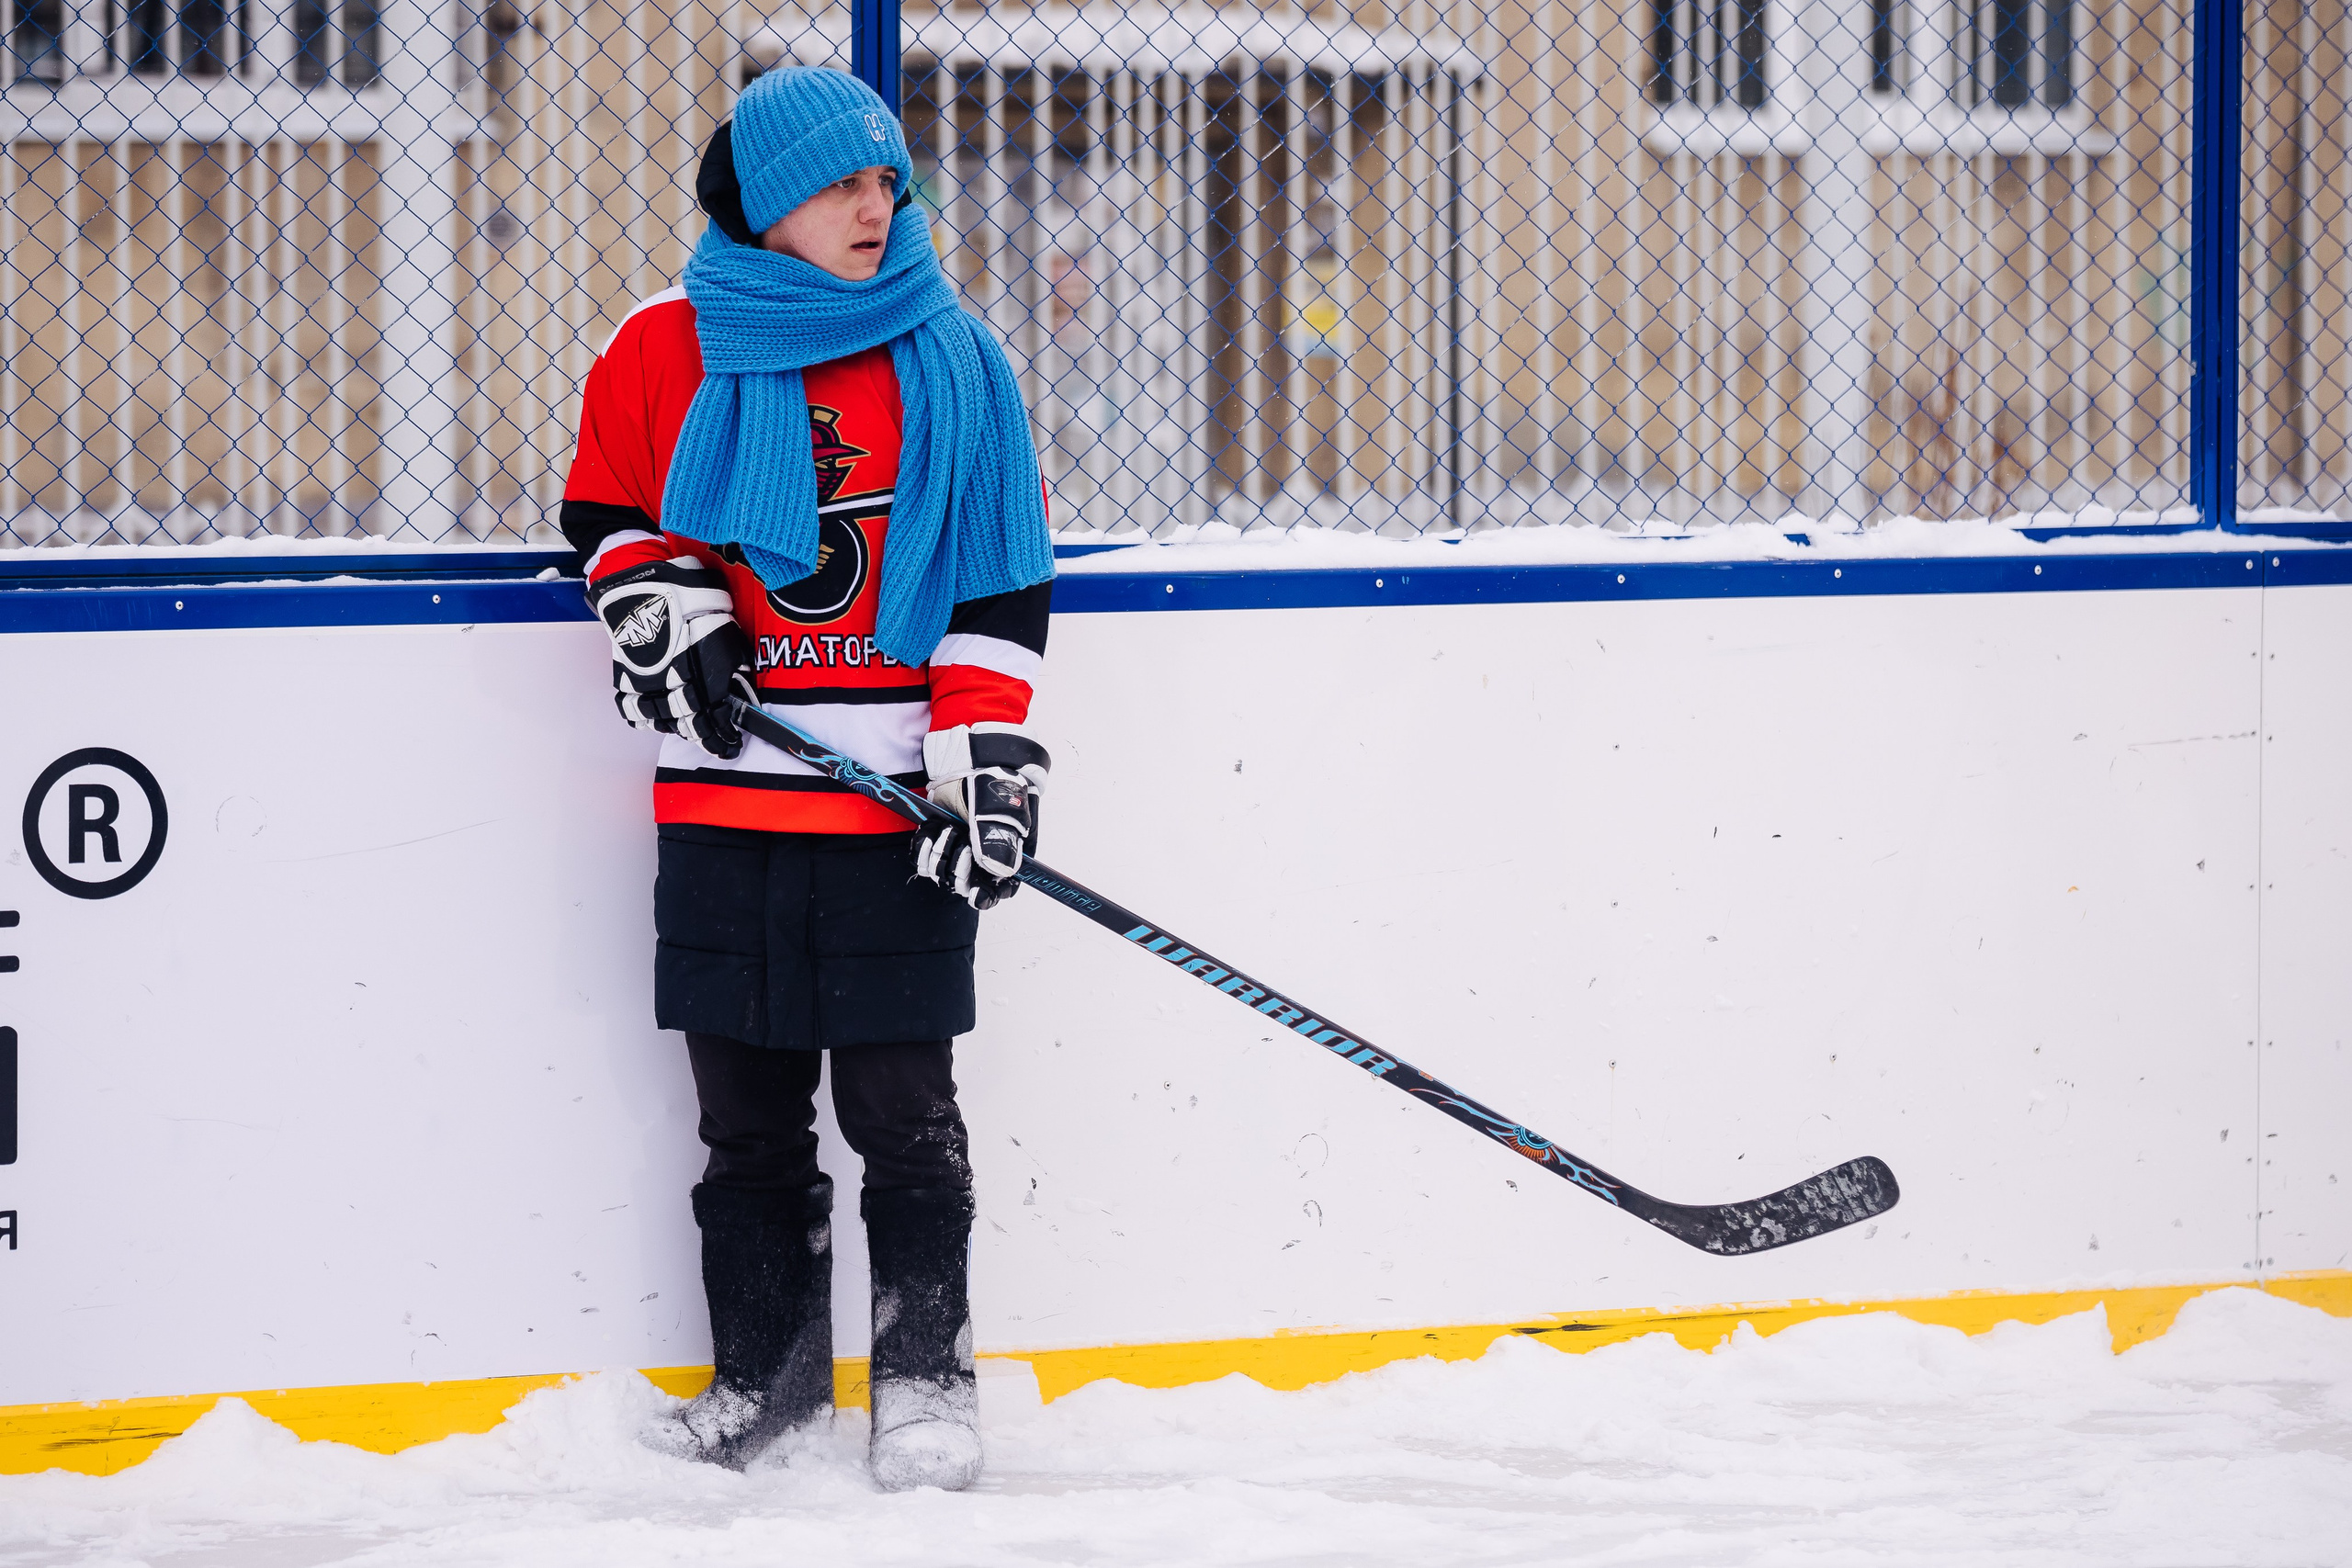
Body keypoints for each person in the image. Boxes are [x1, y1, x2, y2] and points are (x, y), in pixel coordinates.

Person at [557, 65, 1056, 1492]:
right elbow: (606, 509)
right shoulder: (662, 343)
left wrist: (986, 761)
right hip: (723, 803)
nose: (874, 205)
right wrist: (662, 600)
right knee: (746, 1124)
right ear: (768, 195)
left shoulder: (955, 356)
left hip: (892, 811)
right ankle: (764, 1383)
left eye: (887, 181)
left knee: (906, 1118)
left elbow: (999, 580)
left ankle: (925, 1383)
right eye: (842, 183)